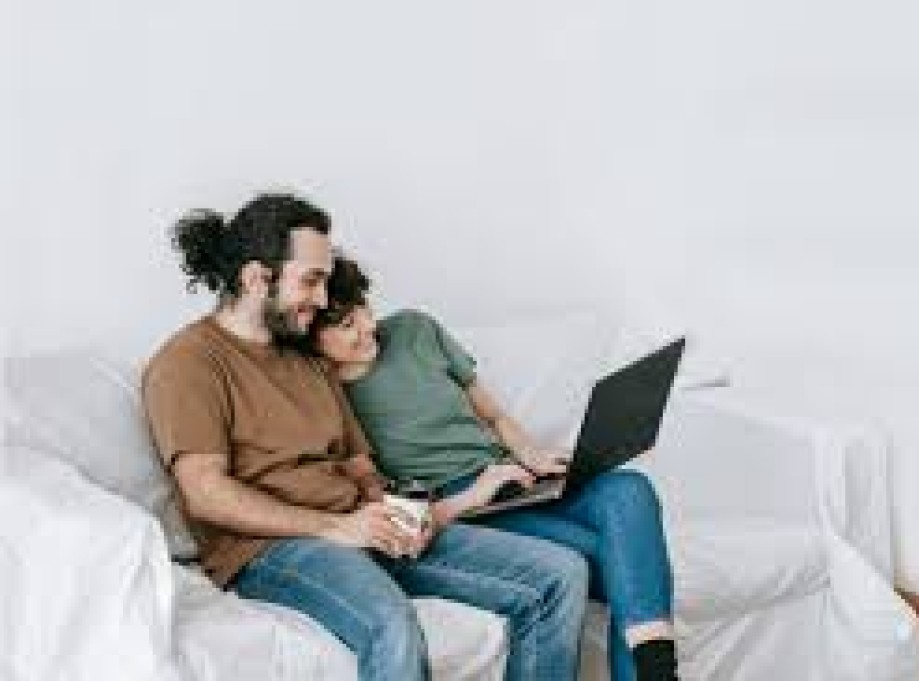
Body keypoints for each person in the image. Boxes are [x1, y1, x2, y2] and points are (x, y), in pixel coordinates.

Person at [141, 193, 588, 681]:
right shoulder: (189, 363)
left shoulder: (307, 360)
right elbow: (205, 493)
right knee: (390, 623)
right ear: (255, 278)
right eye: (311, 281)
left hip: (362, 527)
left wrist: (396, 515)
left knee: (561, 574)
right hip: (273, 548)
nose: (321, 299)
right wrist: (334, 527)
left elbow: (359, 465)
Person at [304, 255, 681, 681]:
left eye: (364, 310)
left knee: (629, 487)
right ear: (313, 337)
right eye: (346, 326)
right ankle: (656, 673)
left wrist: (531, 454)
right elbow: (386, 504)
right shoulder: (326, 396)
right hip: (468, 505)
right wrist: (475, 492)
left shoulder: (415, 328)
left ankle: (655, 669)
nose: (367, 328)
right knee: (624, 560)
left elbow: (494, 416)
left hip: (511, 477)